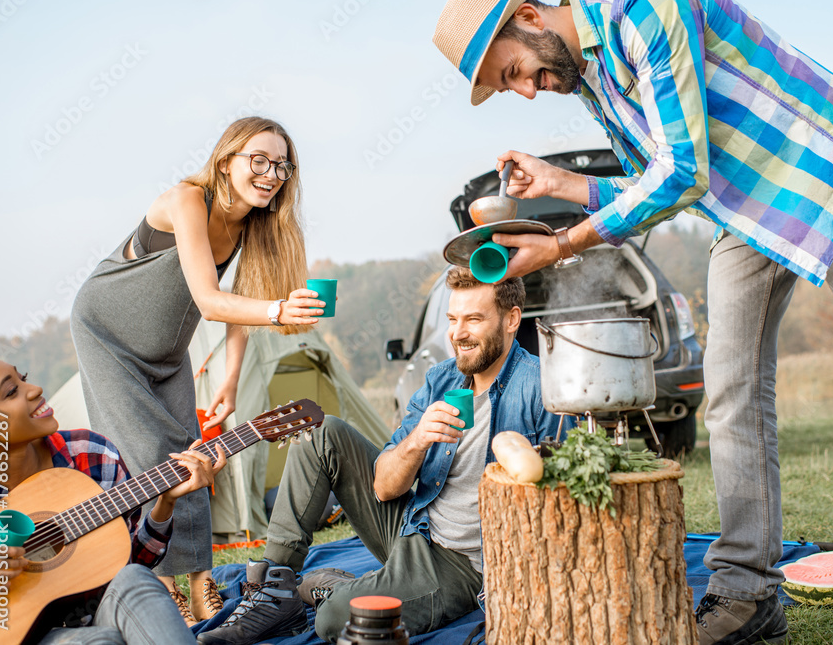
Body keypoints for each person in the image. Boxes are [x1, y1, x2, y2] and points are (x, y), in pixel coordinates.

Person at [432, 0, 833, 644]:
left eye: (513, 71)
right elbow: (648, 177)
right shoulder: (592, 80)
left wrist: (561, 245)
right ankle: (748, 593)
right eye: (508, 86)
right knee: (729, 391)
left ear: (528, 17)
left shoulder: (647, 7)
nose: (525, 90)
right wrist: (558, 182)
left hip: (829, 167)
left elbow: (683, 172)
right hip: (746, 213)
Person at [196, 268, 566, 644]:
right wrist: (419, 439)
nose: (457, 333)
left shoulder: (542, 388)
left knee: (337, 619)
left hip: (462, 565)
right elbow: (385, 488)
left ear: (511, 320)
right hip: (413, 524)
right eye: (453, 319)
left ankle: (341, 589)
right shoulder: (442, 379)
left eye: (474, 319)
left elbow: (562, 505)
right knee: (322, 433)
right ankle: (272, 593)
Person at [70, 116, 322, 625]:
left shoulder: (251, 225)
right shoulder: (188, 200)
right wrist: (276, 310)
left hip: (167, 350)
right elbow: (209, 301)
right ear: (226, 160)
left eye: (281, 165)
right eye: (259, 160)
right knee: (149, 457)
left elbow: (236, 308)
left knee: (194, 450)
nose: (271, 173)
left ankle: (201, 577)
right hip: (108, 336)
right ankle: (163, 582)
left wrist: (229, 381)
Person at [0, 358, 226, 644]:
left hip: (97, 609)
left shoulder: (91, 455)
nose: (34, 389)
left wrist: (165, 503)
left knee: (132, 578)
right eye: (11, 392)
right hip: (12, 633)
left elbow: (130, 559)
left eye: (23, 377)